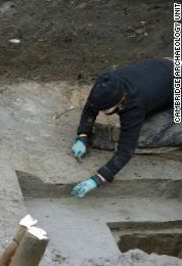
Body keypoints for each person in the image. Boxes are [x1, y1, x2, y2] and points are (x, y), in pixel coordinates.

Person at [70, 58, 181, 198]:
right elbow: (91, 107)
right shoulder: (106, 82)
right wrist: (83, 135)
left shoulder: (134, 106)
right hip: (166, 70)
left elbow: (126, 150)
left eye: (106, 110)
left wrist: (97, 179)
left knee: (144, 137)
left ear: (120, 101)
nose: (103, 113)